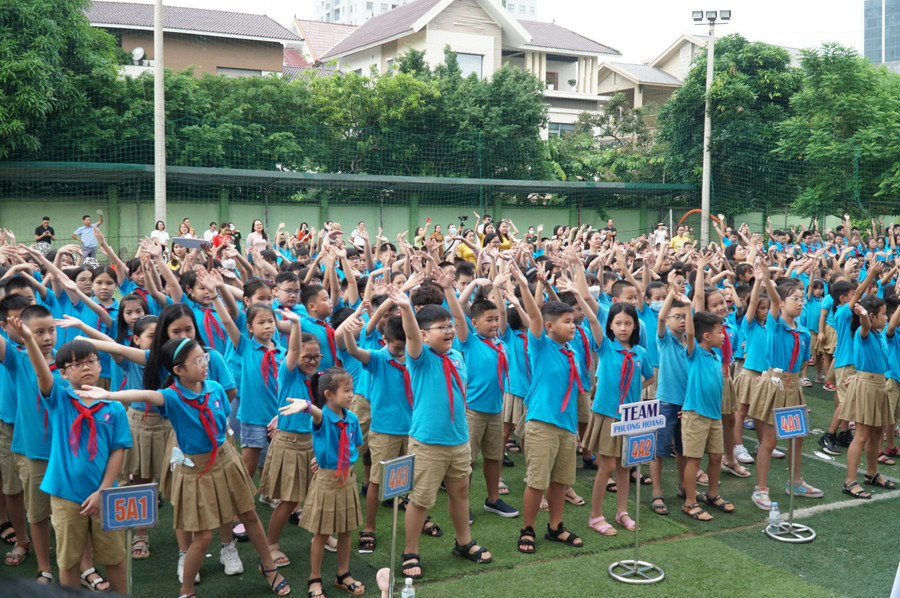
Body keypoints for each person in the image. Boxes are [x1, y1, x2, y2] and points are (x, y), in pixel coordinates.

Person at [76, 338, 292, 598]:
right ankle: (186, 590)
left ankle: (268, 567)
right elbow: (145, 395)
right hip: (197, 471)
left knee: (250, 515)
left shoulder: (214, 387)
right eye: (197, 360)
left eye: (205, 358)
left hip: (226, 459)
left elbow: (221, 420)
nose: (204, 364)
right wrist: (109, 395)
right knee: (201, 537)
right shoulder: (172, 397)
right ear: (178, 370)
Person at [12, 326, 130, 593]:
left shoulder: (113, 406)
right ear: (63, 373)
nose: (85, 367)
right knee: (68, 560)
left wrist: (103, 490)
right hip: (66, 494)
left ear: (100, 365)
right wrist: (29, 339)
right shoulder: (60, 398)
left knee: (115, 555)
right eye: (76, 365)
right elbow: (42, 373)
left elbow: (118, 450)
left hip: (105, 495)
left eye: (90, 361)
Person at [396, 274, 492, 580]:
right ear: (425, 335)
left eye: (450, 325)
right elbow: (410, 335)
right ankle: (410, 551)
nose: (449, 330)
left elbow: (460, 322)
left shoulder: (458, 355)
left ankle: (464, 542)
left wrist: (451, 290)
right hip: (428, 441)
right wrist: (407, 309)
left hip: (458, 439)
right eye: (442, 327)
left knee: (461, 491)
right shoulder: (420, 358)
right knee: (421, 499)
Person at [279, 367, 366, 598]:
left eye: (352, 390)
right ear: (329, 394)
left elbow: (355, 444)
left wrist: (334, 457)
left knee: (346, 531)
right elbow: (317, 415)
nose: (351, 395)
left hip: (347, 479)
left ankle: (343, 574)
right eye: (346, 391)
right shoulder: (322, 417)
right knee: (321, 533)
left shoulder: (353, 418)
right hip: (327, 481)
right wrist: (307, 407)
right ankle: (314, 578)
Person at [515, 272, 585, 554]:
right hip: (542, 422)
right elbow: (535, 314)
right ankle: (528, 529)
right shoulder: (541, 345)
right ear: (549, 327)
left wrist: (576, 430)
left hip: (566, 425)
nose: (572, 326)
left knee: (560, 481)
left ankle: (556, 526)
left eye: (573, 321)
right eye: (566, 322)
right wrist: (528, 284)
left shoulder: (572, 350)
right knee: (537, 480)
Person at [748, 267, 823, 509]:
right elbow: (774, 299)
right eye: (795, 299)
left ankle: (796, 481)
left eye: (802, 299)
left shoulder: (803, 333)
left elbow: (802, 365)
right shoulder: (775, 324)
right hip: (775, 383)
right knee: (768, 441)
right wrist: (766, 281)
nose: (800, 303)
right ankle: (760, 489)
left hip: (793, 385)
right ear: (782, 303)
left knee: (797, 438)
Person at [680, 307, 734, 521]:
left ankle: (711, 495)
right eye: (720, 332)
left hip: (713, 415)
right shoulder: (695, 353)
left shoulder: (715, 355)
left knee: (716, 456)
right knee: (694, 459)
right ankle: (690, 502)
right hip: (696, 414)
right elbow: (690, 334)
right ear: (706, 336)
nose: (723, 336)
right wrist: (686, 307)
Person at [841, 296, 896, 498]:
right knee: (862, 434)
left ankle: (871, 473)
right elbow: (864, 326)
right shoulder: (863, 332)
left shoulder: (878, 333)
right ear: (872, 316)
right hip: (868, 386)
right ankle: (850, 481)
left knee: (876, 432)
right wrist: (864, 316)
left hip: (879, 384)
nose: (887, 317)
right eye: (883, 314)